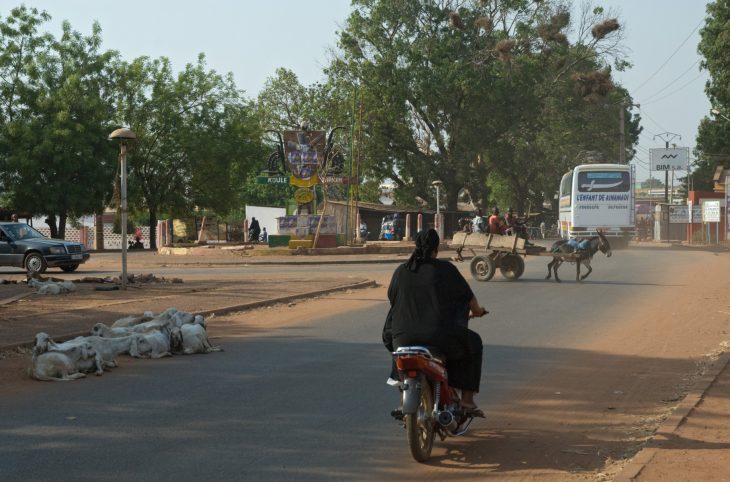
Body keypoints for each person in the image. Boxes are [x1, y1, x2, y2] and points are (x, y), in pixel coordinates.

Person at [382, 229, 487, 409]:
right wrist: (478, 311)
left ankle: (402, 389)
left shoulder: (401, 271)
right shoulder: (446, 269)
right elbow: (470, 300)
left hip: (402, 337)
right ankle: (467, 400)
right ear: (436, 249)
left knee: (396, 348)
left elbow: (393, 299)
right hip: (439, 336)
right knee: (474, 343)